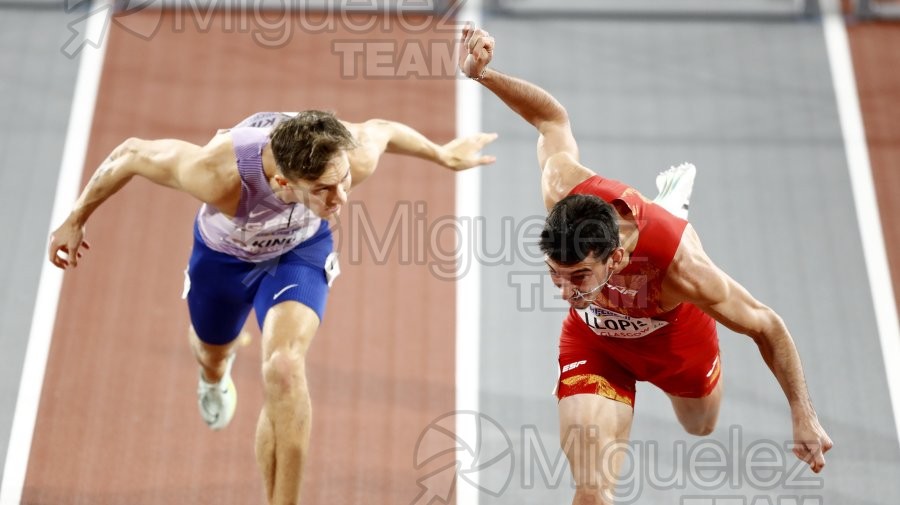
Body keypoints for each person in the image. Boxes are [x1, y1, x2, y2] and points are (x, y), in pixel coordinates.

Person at [458, 26, 833, 504]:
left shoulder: (681, 268)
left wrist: (802, 412)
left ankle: (672, 208)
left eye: (577, 278)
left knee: (700, 426)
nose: (564, 292)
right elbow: (552, 119)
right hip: (597, 343)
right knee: (591, 490)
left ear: (615, 257)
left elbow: (767, 325)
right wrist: (483, 75)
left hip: (674, 342)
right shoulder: (562, 188)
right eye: (554, 275)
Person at [47, 110, 497, 505]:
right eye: (324, 191)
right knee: (211, 352)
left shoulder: (348, 157)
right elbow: (130, 153)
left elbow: (383, 129)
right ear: (283, 182)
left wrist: (443, 155)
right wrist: (75, 218)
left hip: (295, 256)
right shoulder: (217, 173)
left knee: (283, 366)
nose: (341, 200)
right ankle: (214, 375)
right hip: (223, 260)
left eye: (343, 183)